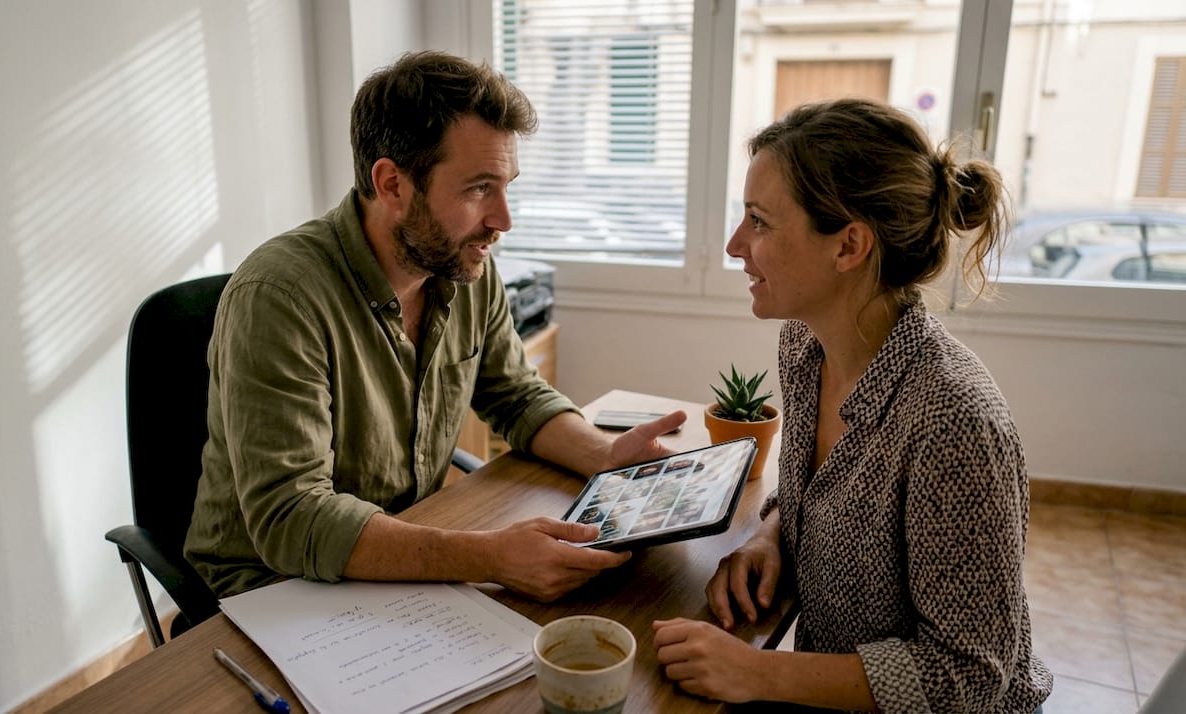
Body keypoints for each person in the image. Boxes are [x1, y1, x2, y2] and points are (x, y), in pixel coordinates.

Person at [184, 50, 686, 602]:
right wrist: (492, 555)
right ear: (392, 184)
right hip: (273, 589)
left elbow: (514, 395)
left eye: (505, 186)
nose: (502, 221)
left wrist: (603, 455)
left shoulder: (465, 265)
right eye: (478, 189)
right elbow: (291, 518)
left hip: (397, 559)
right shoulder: (278, 298)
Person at [652, 98, 1054, 712]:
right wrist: (771, 535)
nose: (735, 245)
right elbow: (820, 492)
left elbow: (969, 679)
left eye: (759, 221)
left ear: (849, 246)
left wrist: (758, 674)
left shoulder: (954, 422)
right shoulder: (804, 347)